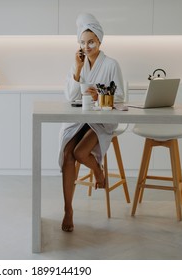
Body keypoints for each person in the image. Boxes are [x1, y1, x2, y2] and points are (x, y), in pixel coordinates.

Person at [58, 13, 124, 232]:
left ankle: (97, 170)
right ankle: (68, 209)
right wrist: (77, 70)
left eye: (91, 42)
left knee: (79, 153)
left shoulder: (112, 64)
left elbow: (121, 96)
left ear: (100, 41)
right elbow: (70, 97)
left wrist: (101, 94)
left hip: (101, 120)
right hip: (80, 119)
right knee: (68, 154)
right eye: (83, 43)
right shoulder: (78, 63)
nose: (87, 47)